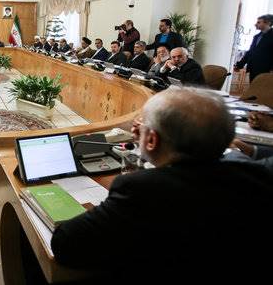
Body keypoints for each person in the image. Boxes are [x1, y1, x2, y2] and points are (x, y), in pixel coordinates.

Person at [51, 87, 273, 280]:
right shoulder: (255, 173)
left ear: (151, 139)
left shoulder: (142, 190)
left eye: (143, 125)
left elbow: (64, 244)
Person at [234, 14, 273, 82]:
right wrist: (240, 65)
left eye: (259, 22)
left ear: (268, 23)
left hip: (266, 71)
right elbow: (250, 52)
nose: (255, 24)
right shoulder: (256, 36)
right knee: (253, 90)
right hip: (253, 69)